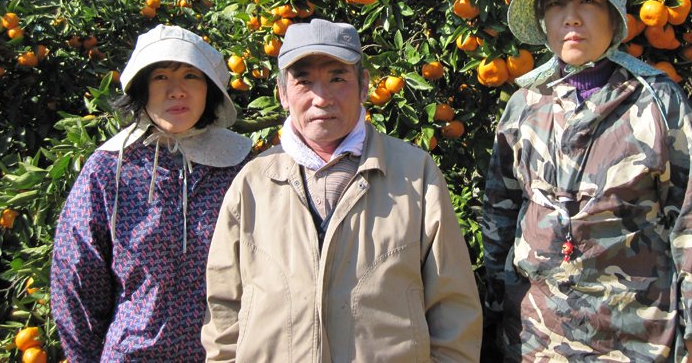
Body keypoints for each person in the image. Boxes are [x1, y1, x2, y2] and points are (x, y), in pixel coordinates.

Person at [482, 0, 692, 363]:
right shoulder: (525, 105)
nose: (571, 18)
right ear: (543, 21)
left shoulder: (656, 102)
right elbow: (500, 212)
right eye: (556, 5)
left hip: (635, 340)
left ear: (614, 17)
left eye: (588, 1)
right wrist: (495, 308)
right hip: (534, 340)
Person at [202, 18, 483, 363]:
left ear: (364, 86)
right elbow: (224, 309)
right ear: (282, 94)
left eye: (338, 79)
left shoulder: (415, 173)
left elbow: (453, 306)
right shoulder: (253, 182)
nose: (321, 98)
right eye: (304, 82)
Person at [52, 25, 252, 363]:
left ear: (210, 88)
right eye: (161, 77)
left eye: (191, 75)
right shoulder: (109, 170)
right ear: (141, 87)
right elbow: (76, 283)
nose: (177, 91)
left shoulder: (240, 165)